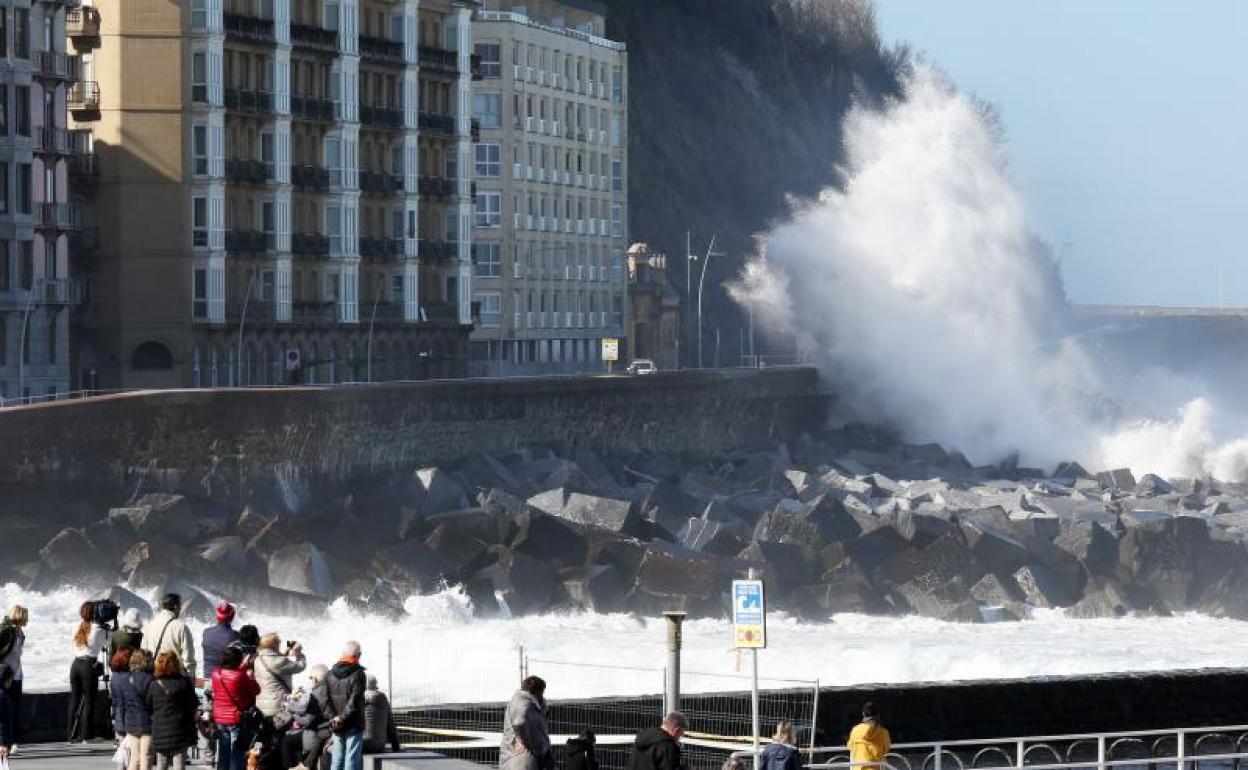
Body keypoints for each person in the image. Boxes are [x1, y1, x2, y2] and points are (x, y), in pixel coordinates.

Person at [201, 603, 239, 768]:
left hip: (209, 679)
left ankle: (209, 755)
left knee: (209, 716)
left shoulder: (206, 633)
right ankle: (228, 753)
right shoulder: (235, 636)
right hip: (226, 679)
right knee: (225, 715)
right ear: (231, 616)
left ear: (217, 616)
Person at [211, 645, 260, 770]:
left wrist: (243, 667)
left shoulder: (216, 673)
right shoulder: (241, 675)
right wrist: (249, 674)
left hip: (220, 718)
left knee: (223, 751)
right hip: (235, 718)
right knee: (237, 753)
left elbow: (232, 676)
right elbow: (255, 690)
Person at [148, 651, 199, 770]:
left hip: (159, 730)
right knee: (179, 765)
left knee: (161, 765)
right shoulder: (183, 682)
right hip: (179, 729)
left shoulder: (153, 684)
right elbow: (193, 703)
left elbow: (148, 706)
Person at [69, 600, 110, 743]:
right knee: (89, 700)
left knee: (74, 699)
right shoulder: (99, 629)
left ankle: (71, 734)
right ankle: (86, 735)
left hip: (75, 665)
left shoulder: (76, 626)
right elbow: (108, 642)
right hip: (88, 666)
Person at [322, 642, 367, 770]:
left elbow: (324, 699)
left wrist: (333, 718)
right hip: (353, 722)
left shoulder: (329, 674)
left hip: (336, 723)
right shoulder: (358, 673)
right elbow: (355, 700)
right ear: (358, 655)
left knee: (337, 759)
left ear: (343, 654)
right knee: (351, 758)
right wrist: (342, 717)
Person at [283, 665, 331, 770]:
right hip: (327, 730)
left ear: (315, 678)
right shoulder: (329, 689)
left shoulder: (316, 693)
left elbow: (309, 721)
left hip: (318, 731)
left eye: (310, 678)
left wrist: (292, 713)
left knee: (286, 741)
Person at [142, 594, 197, 682]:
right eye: (180, 606)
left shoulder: (150, 625)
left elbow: (144, 653)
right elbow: (188, 659)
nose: (180, 609)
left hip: (154, 678)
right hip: (175, 679)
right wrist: (190, 682)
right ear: (175, 607)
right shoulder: (181, 627)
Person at [500, 676, 551, 770]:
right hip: (522, 760)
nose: (542, 695)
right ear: (536, 690)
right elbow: (519, 722)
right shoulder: (523, 701)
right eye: (542, 692)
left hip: (522, 759)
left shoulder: (528, 702)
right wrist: (521, 740)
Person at [119, 649, 156, 770]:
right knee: (146, 756)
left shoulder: (125, 679)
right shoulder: (150, 680)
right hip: (147, 723)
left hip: (130, 723)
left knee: (135, 757)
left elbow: (123, 703)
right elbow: (152, 702)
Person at [254, 633, 306, 720]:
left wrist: (282, 654)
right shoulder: (280, 662)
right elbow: (300, 666)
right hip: (278, 706)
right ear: (275, 644)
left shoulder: (257, 659)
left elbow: (273, 663)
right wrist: (299, 654)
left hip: (261, 704)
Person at [0, 606, 28, 753]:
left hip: (16, 674)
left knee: (15, 709)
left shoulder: (20, 632)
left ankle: (14, 741)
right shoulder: (5, 631)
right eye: (26, 616)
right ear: (19, 616)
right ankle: (7, 742)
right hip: (4, 675)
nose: (27, 619)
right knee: (5, 709)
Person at [362, 675, 400, 754]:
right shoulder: (384, 700)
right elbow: (391, 726)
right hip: (379, 746)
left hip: (362, 744)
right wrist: (396, 746)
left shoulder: (359, 699)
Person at [848, 703, 891, 769]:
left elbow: (850, 747)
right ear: (877, 714)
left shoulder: (855, 730)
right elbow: (886, 749)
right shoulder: (883, 732)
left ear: (863, 714)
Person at [109, 649, 135, 754]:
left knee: (122, 754)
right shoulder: (130, 677)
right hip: (130, 718)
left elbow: (114, 700)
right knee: (131, 753)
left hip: (119, 716)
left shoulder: (114, 677)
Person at [0, 664, 16, 761]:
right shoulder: (2, 696)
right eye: (11, 678)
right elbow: (1, 722)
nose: (12, 681)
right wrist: (2, 743)